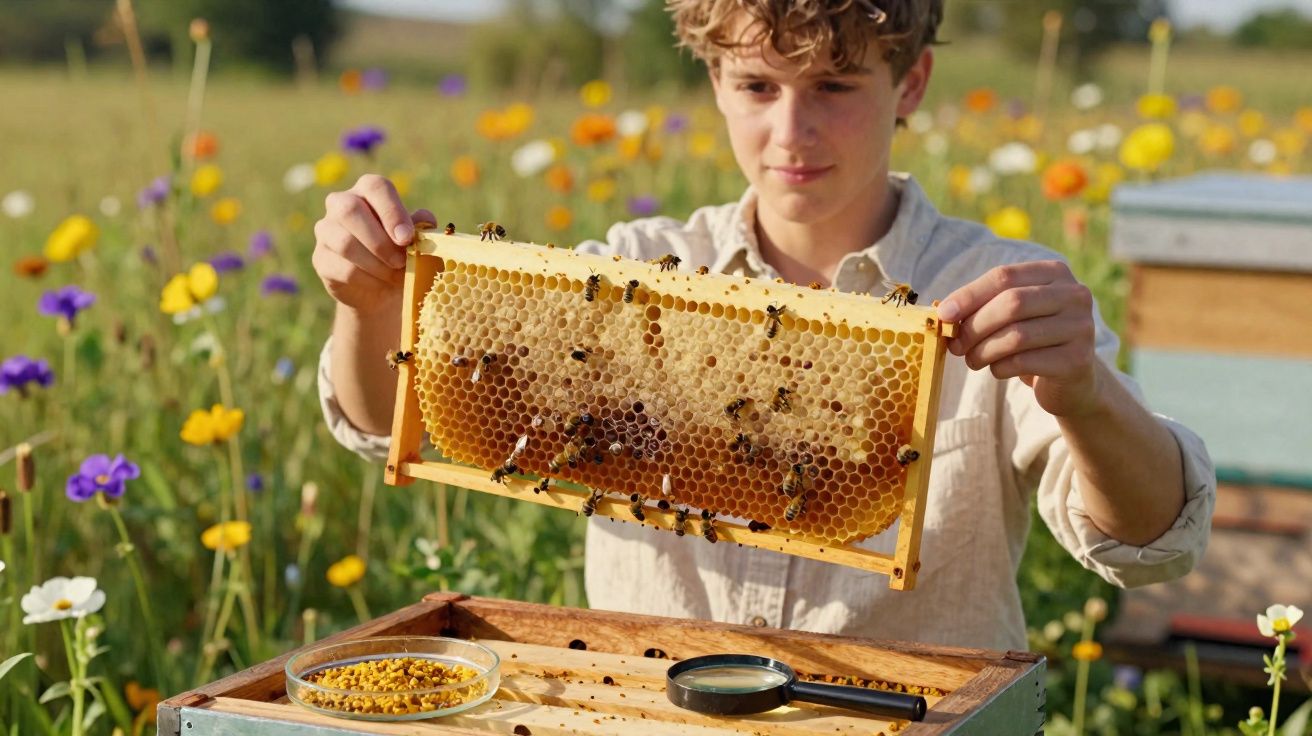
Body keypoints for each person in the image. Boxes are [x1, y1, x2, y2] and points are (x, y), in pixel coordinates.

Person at [312, 0, 1215, 651]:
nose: (792, 131)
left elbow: (1149, 542)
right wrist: (371, 307)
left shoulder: (987, 291)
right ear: (713, 81)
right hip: (651, 711)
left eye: (832, 84)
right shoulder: (632, 272)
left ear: (912, 82)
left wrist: (1089, 401)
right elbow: (397, 417)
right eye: (756, 84)